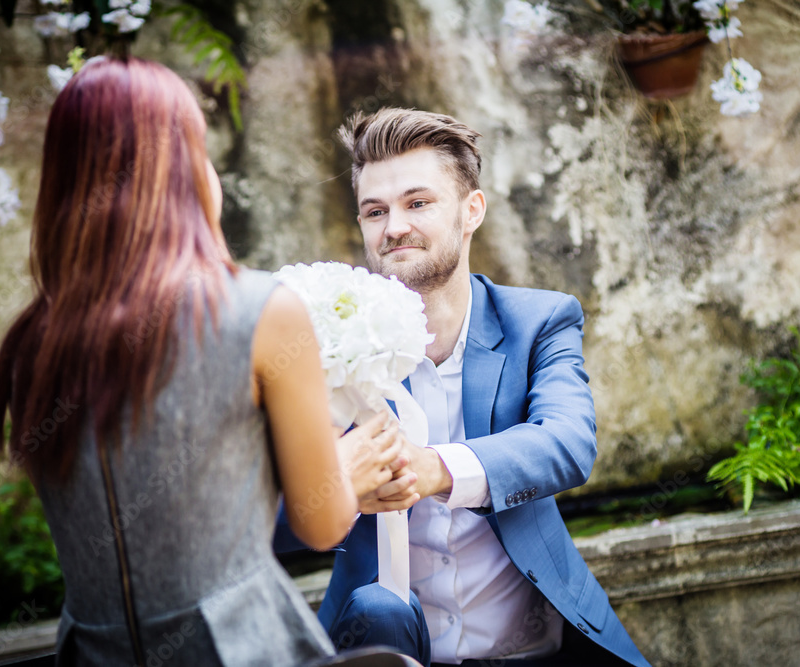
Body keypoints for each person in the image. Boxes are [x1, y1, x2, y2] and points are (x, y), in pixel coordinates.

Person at [0, 57, 404, 667]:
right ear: (181, 170)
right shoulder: (258, 311)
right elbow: (321, 525)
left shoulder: (32, 345)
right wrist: (344, 462)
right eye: (198, 149)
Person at [278, 108, 653, 667]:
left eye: (418, 202)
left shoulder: (541, 319)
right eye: (375, 211)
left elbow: (568, 443)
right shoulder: (323, 342)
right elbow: (260, 523)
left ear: (471, 210)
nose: (394, 227)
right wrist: (335, 488)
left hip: (539, 651)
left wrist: (436, 468)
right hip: (384, 651)